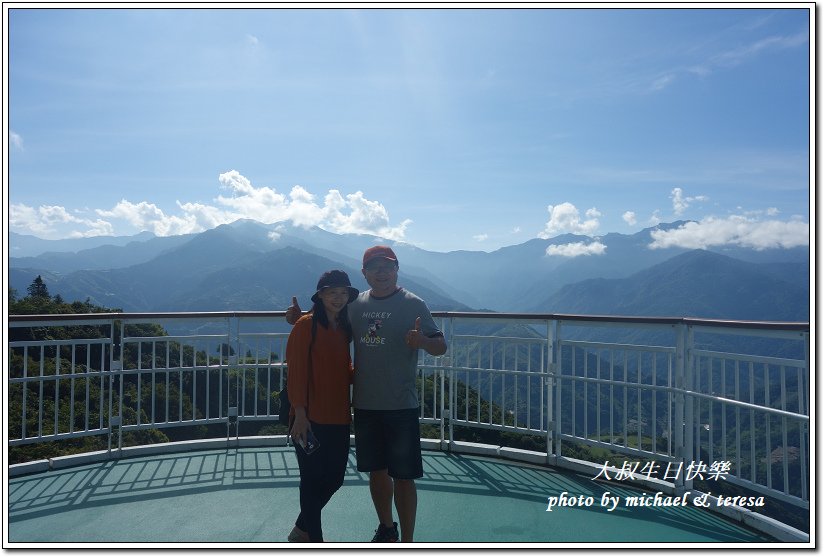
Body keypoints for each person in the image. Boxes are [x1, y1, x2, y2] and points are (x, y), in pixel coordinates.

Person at [286, 246, 447, 542]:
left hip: (399, 405)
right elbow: (323, 315)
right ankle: (386, 529)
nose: (381, 272)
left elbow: (441, 346)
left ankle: (408, 541)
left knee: (403, 477)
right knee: (377, 472)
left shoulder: (414, 303)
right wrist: (298, 319)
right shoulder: (355, 305)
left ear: (397, 269)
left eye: (387, 267)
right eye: (375, 267)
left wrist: (422, 341)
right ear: (365, 273)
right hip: (363, 407)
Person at [285, 270, 359, 543]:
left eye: (343, 294)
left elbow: (342, 369)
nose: (338, 299)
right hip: (310, 418)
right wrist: (300, 415)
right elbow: (296, 372)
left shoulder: (343, 328)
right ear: (321, 296)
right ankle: (314, 540)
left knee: (335, 479)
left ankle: (300, 531)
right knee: (312, 480)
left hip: (339, 416)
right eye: (332, 293)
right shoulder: (306, 326)